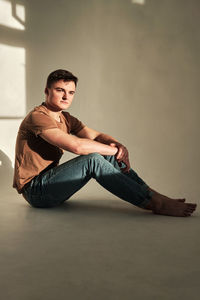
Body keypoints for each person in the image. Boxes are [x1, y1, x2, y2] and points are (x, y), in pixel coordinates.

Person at [13, 69, 197, 216]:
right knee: (93, 159)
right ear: (47, 91)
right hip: (36, 192)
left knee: (105, 152)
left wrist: (119, 146)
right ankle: (155, 202)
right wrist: (115, 152)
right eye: (60, 90)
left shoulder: (66, 118)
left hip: (53, 185)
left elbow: (96, 135)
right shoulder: (38, 117)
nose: (65, 97)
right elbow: (77, 146)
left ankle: (154, 196)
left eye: (71, 92)